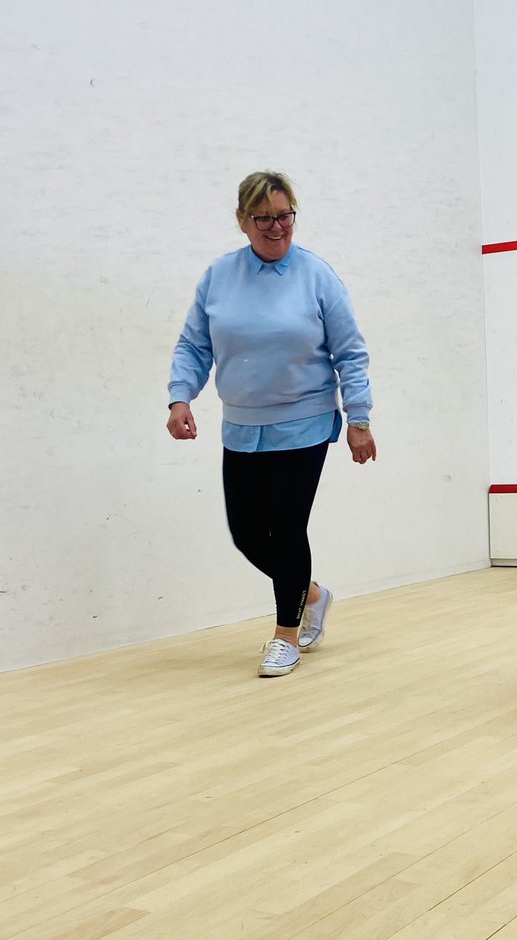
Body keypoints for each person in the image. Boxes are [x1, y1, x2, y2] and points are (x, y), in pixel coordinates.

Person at [166, 171, 375, 677]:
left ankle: (286, 636)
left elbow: (350, 352)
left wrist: (359, 418)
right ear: (243, 221)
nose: (277, 227)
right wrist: (180, 397)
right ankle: (313, 594)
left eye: (286, 215)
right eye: (265, 218)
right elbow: (195, 345)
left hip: (305, 420)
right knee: (246, 534)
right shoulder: (219, 277)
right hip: (242, 425)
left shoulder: (317, 276)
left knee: (285, 527)